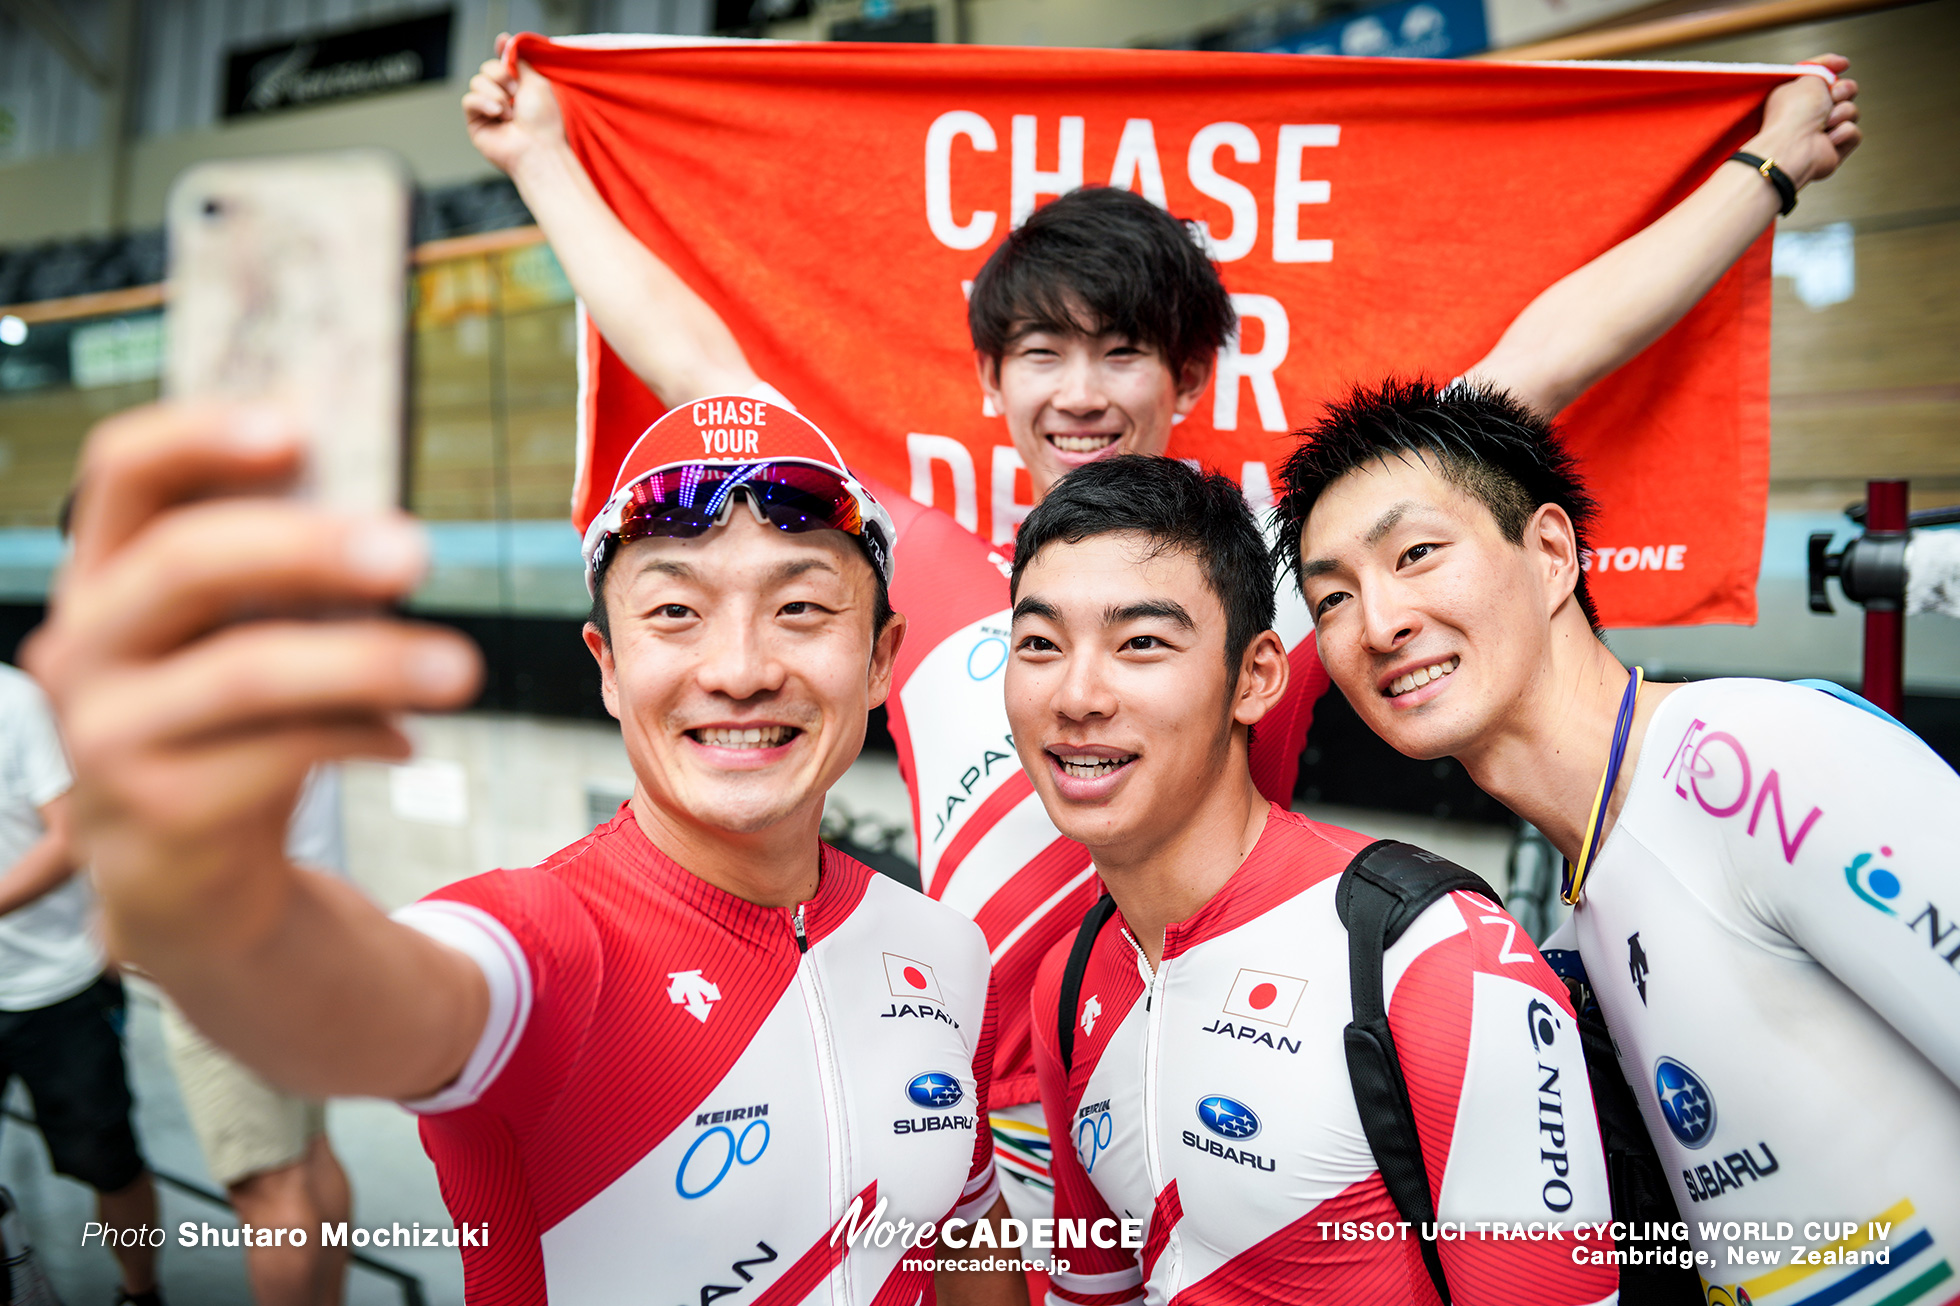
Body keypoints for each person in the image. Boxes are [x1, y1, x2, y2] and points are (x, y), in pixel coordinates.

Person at [460, 40, 1861, 1218]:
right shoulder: (922, 563)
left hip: (1239, 1100)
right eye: (1043, 354)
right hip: (967, 1116)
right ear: (993, 381)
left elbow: (1537, 364)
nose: (1081, 391)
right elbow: (697, 355)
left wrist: (1769, 168)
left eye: (1122, 350)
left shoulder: (1268, 573)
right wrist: (539, 161)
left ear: (1188, 374)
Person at [25, 397, 1023, 1305]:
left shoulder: (942, 946)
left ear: (883, 657)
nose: (741, 667)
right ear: (608, 665)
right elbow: (377, 995)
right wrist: (226, 907)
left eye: (800, 606)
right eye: (674, 611)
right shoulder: (539, 941)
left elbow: (969, 1233)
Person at [1273, 379, 1960, 1301]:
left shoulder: (1757, 763)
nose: (1380, 623)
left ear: (1552, 552)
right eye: (1332, 600)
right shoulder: (1581, 907)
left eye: (1419, 553)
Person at [1009, 455, 1615, 1305]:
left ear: (1254, 677)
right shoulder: (1068, 985)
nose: (1077, 695)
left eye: (1141, 642)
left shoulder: (1433, 955)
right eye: (1039, 643)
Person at [0, 660, 163, 1306]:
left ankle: (140, 1292)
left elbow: (70, 840)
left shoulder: (17, 702)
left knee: (109, 1162)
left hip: (55, 986)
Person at [156, 767, 351, 1306]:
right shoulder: (299, 686)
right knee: (308, 1153)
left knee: (270, 1189)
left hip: (231, 968)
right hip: (305, 942)